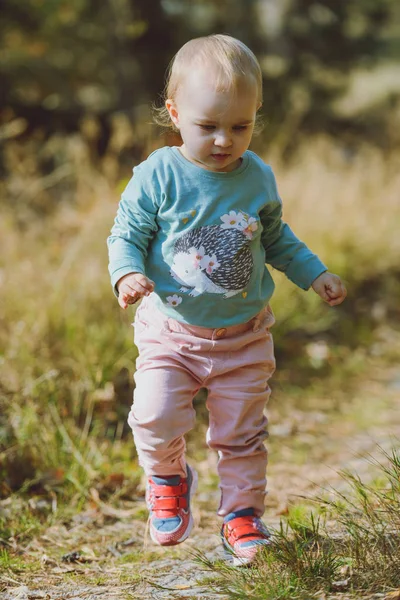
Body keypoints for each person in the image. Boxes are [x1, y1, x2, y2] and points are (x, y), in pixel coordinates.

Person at [107, 34, 347, 566]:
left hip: (244, 336)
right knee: (153, 415)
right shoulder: (159, 175)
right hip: (170, 330)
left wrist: (316, 274)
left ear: (255, 115)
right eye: (208, 126)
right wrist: (125, 273)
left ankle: (241, 516)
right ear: (174, 113)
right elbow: (125, 235)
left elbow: (277, 239)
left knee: (240, 435)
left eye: (240, 126)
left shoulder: (257, 176)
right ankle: (169, 476)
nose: (224, 140)